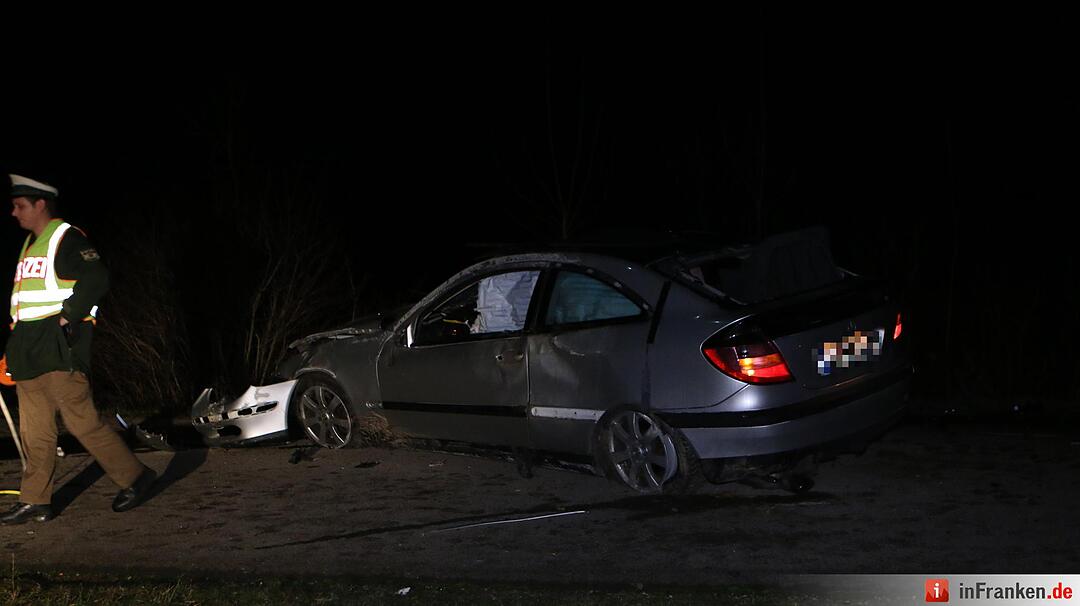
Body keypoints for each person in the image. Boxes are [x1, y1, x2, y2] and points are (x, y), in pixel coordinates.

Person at [1, 174, 155, 525]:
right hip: (28, 353)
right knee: (34, 432)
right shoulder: (30, 245)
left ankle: (136, 477)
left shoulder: (65, 238)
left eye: (19, 205)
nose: (13, 212)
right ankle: (36, 501)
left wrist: (69, 316)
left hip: (58, 351)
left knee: (80, 422)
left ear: (41, 204)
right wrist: (11, 352)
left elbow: (97, 278)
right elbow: (23, 306)